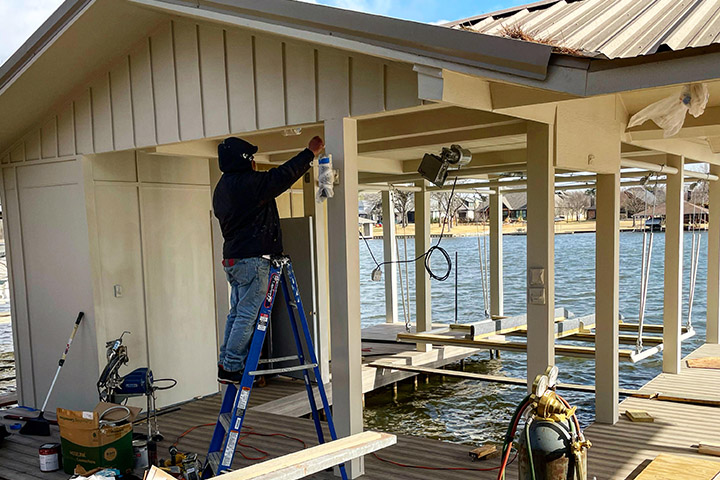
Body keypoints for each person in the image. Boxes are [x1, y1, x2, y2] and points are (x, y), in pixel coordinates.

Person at [213, 135, 325, 383]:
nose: (254, 163)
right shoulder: (248, 184)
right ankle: (231, 366)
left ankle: (226, 362)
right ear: (244, 161)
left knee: (237, 313)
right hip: (253, 260)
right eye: (251, 158)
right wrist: (310, 153)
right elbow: (281, 177)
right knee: (247, 315)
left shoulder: (222, 187)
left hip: (234, 260)